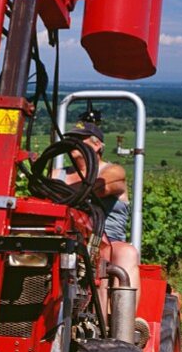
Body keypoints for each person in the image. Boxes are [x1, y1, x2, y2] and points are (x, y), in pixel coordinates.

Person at [59, 121, 141, 295]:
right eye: (71, 138)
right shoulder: (58, 174)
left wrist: (58, 191)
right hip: (67, 236)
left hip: (108, 239)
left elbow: (99, 186)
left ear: (97, 145)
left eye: (80, 138)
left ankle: (124, 320)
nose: (74, 142)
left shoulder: (112, 172)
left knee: (125, 253)